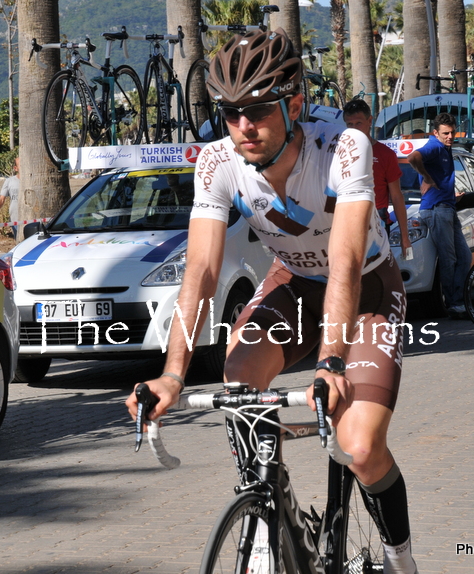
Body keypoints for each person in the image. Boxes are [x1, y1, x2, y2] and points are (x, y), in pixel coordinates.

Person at [125, 29, 418, 574]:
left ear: (296, 104)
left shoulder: (342, 148)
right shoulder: (217, 163)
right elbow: (203, 270)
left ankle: (402, 558)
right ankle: (268, 499)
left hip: (367, 289)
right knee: (238, 373)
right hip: (296, 281)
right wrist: (171, 375)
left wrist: (331, 363)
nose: (243, 126)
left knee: (359, 446)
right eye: (230, 112)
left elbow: (347, 263)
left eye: (258, 110)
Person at [406, 113, 472, 319]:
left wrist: (451, 195)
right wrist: (426, 177)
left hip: (447, 207)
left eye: (452, 132)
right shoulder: (434, 146)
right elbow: (412, 157)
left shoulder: (445, 149)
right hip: (436, 210)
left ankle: (459, 301)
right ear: (435, 133)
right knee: (449, 258)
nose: (450, 136)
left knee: (464, 257)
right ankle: (454, 304)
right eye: (445, 133)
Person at [343, 99, 412, 256]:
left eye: (358, 123)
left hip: (377, 223)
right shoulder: (338, 152)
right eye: (349, 125)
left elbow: (396, 196)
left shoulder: (385, 154)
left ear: (369, 121)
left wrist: (405, 237)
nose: (354, 129)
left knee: (378, 275)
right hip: (346, 221)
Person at [0, 156, 20, 238]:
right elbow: (1, 199)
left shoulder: (32, 180)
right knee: (18, 241)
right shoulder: (9, 181)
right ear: (16, 168)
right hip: (15, 218)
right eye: (21, 165)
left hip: (31, 218)